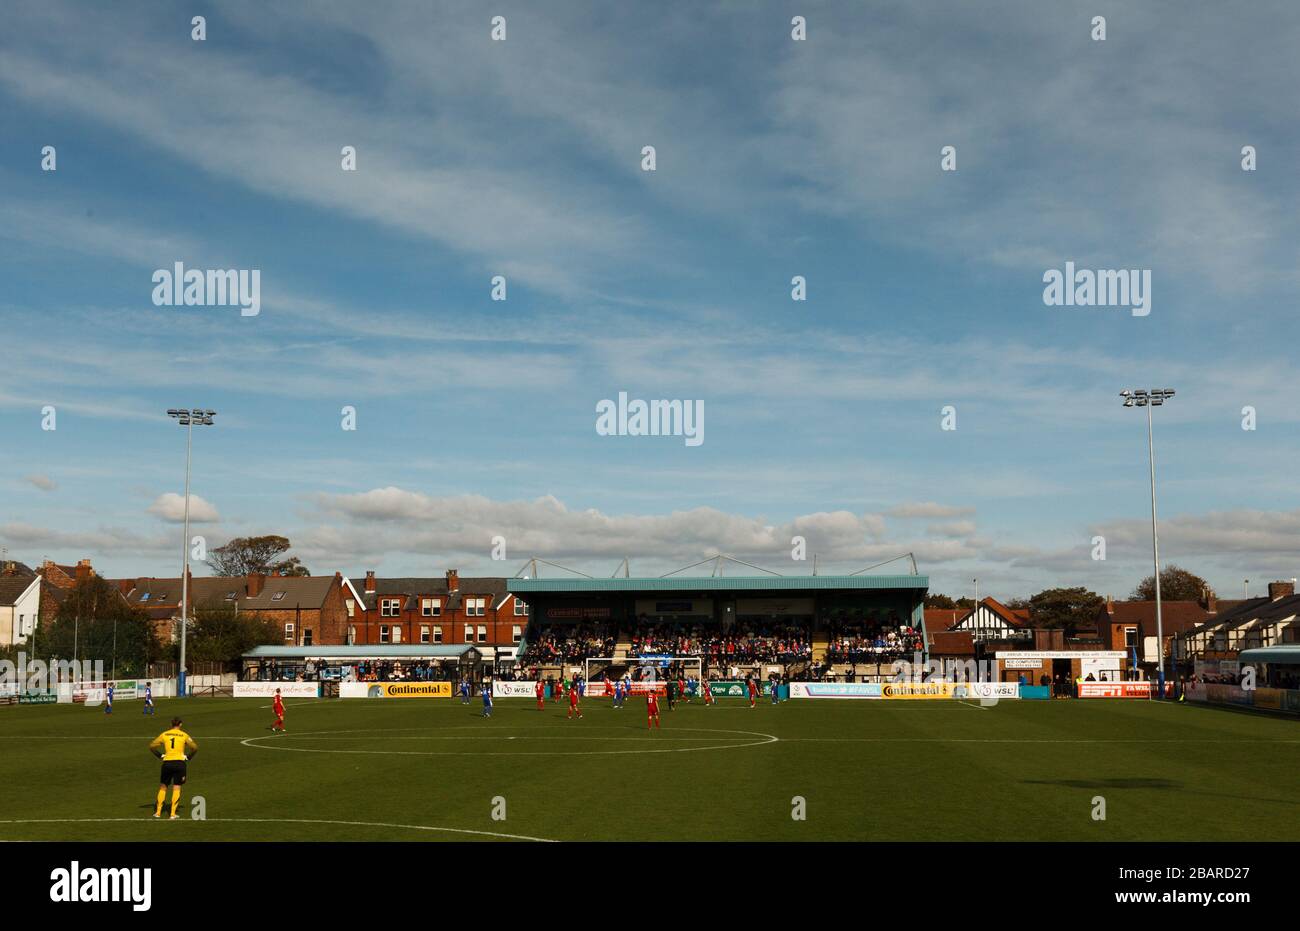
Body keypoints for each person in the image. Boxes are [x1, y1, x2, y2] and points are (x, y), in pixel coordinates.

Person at [149, 716, 197, 820]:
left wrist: (160, 755)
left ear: (171, 724)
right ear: (180, 724)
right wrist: (189, 757)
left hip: (167, 763)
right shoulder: (184, 735)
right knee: (177, 787)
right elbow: (195, 747)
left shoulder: (165, 734)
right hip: (179, 763)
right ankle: (172, 814)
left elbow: (152, 746)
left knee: (163, 787)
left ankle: (157, 813)